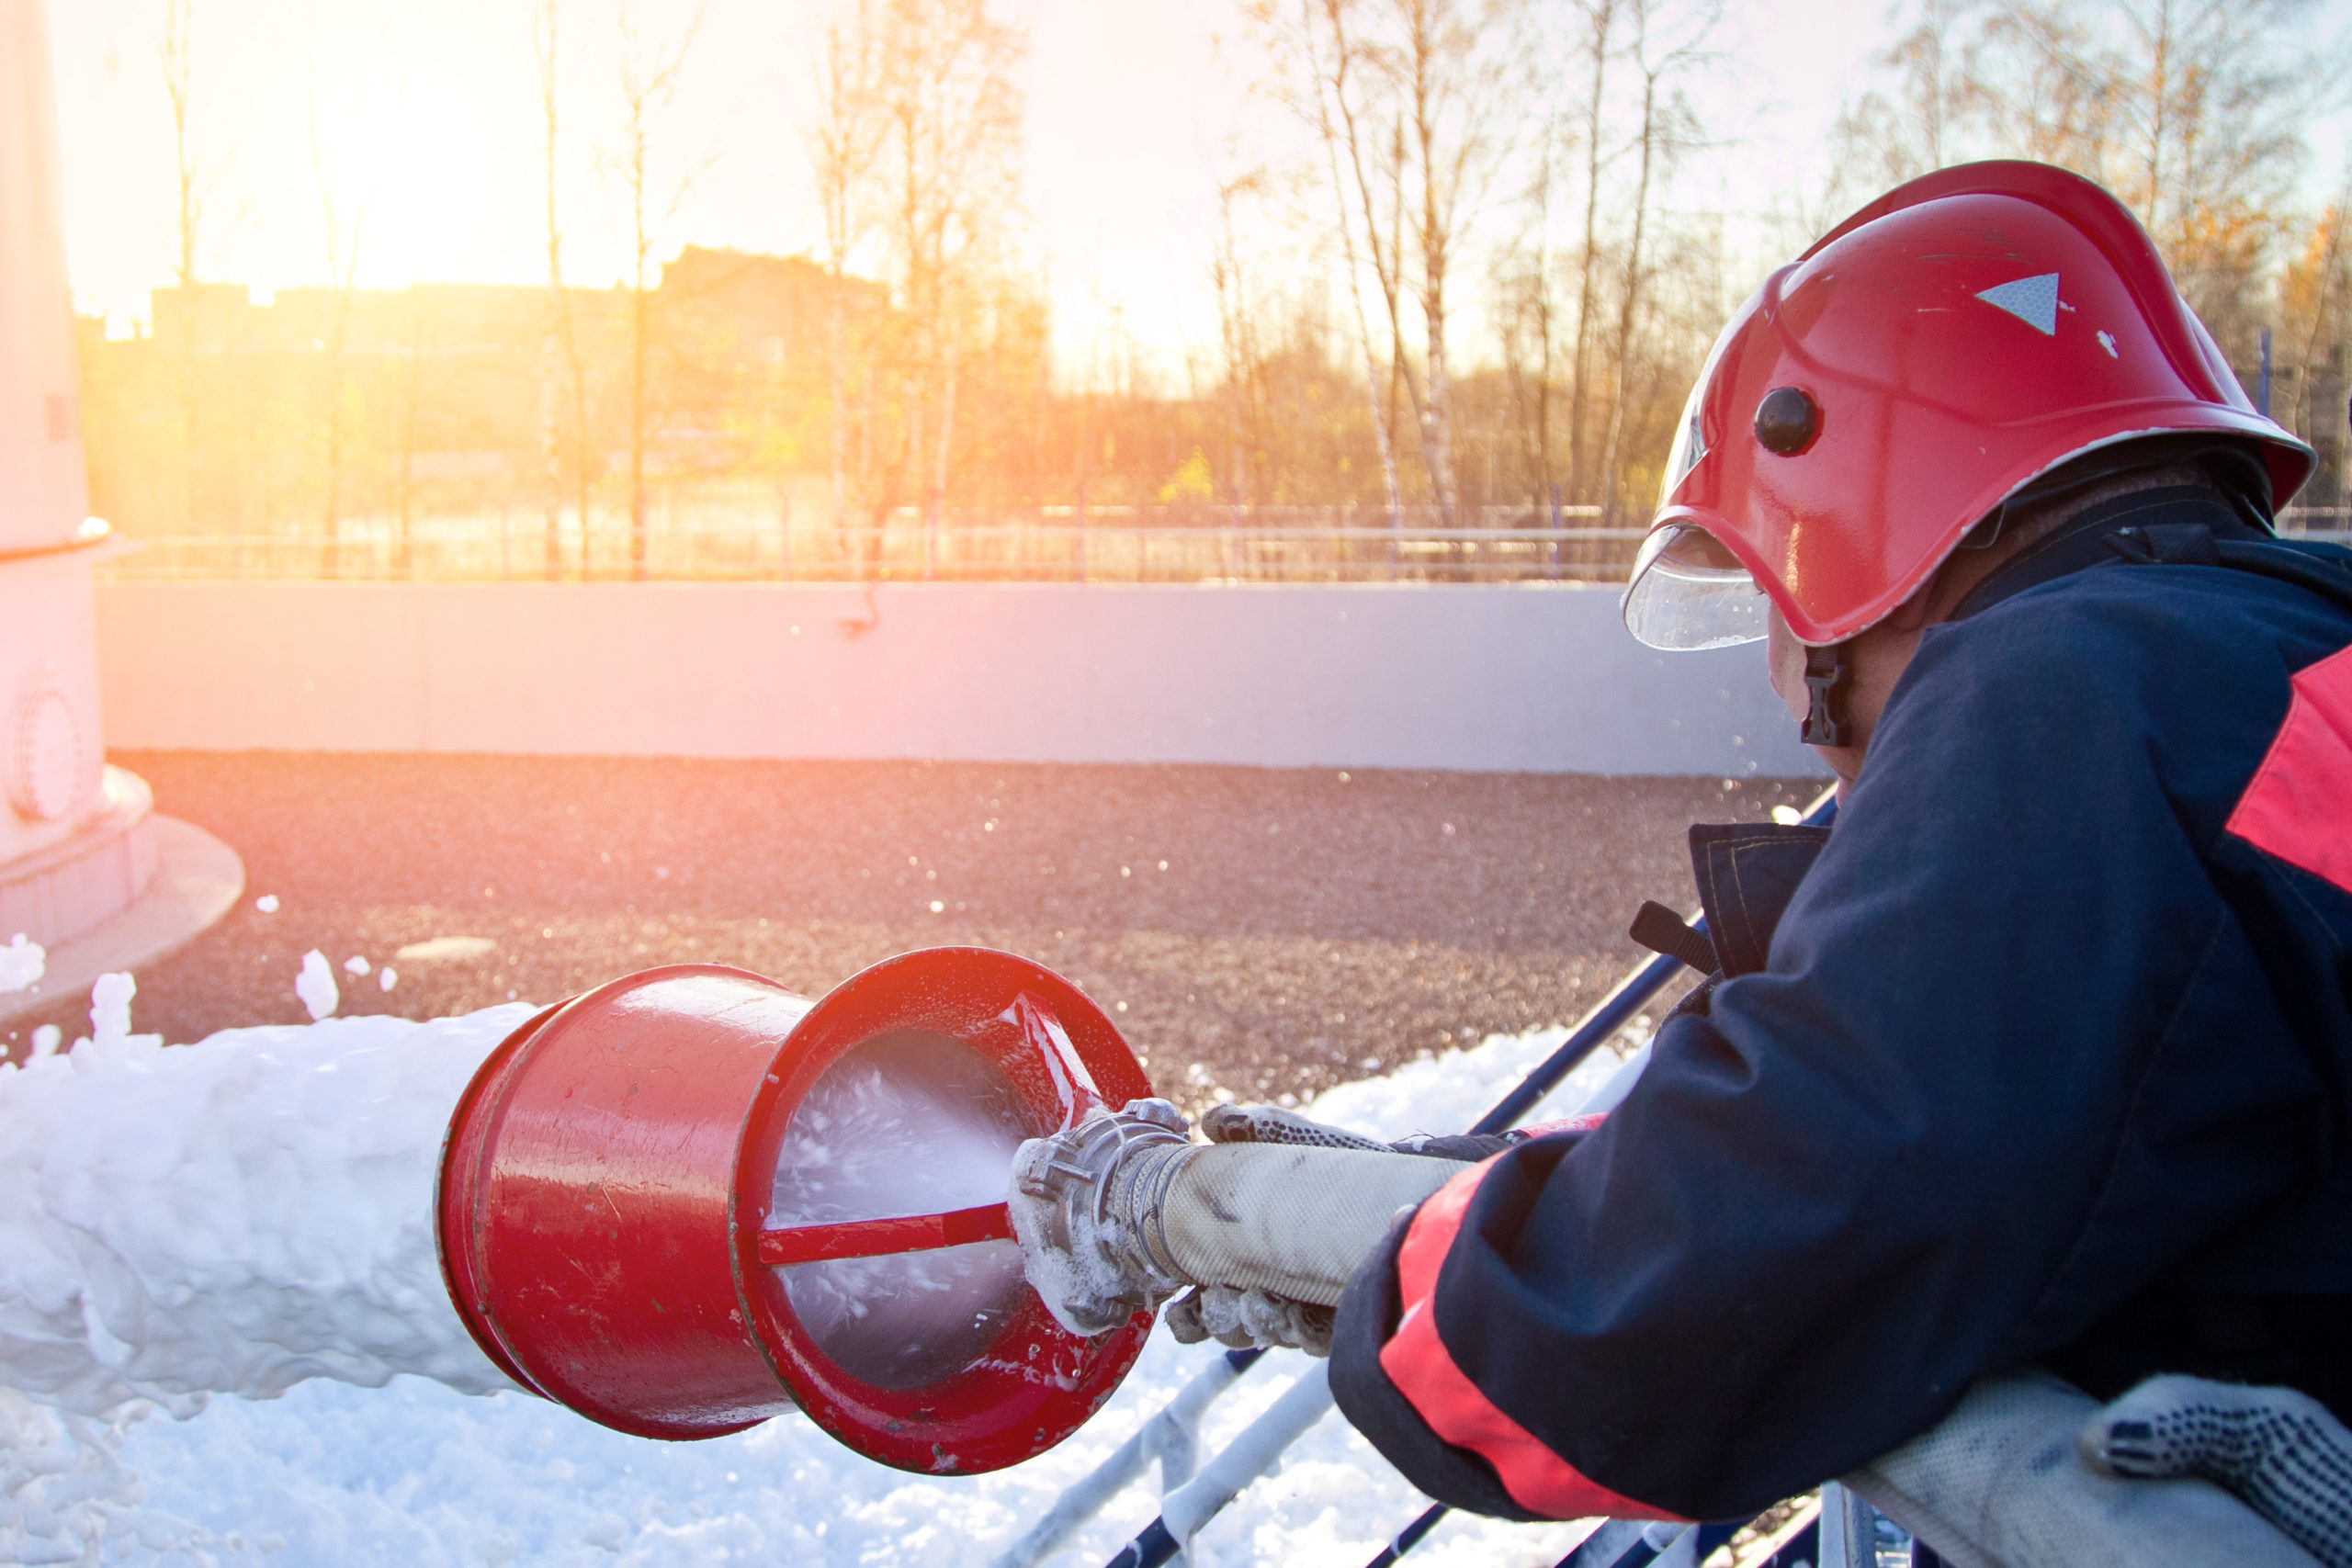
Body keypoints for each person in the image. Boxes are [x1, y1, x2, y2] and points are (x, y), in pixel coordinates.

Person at [1009, 162, 2352, 1548]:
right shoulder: (2265, 667)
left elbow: (1659, 1315)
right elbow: (1920, 1121)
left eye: (1775, 600)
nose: (1788, 696)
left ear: (1860, 507)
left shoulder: (2072, 691)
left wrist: (1309, 1242)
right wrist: (1442, 1183)